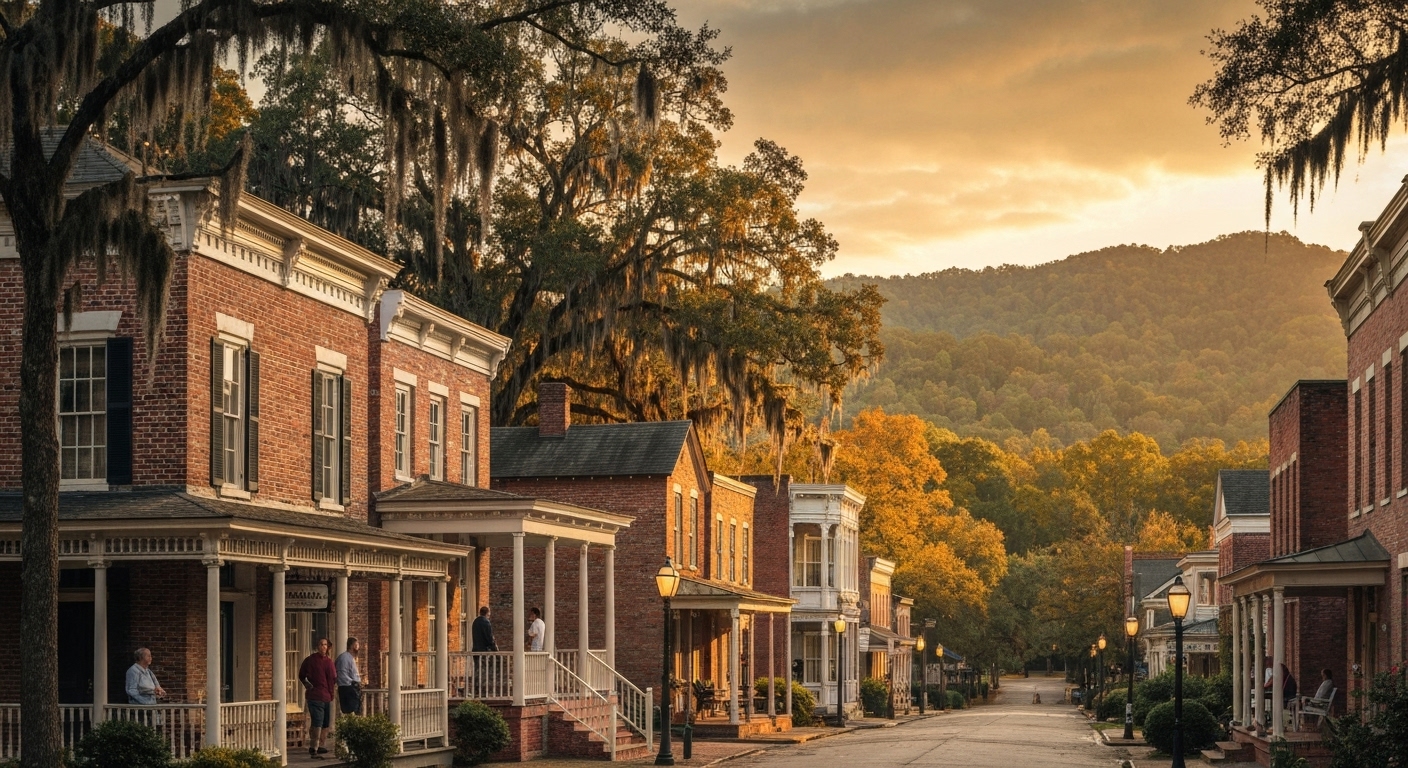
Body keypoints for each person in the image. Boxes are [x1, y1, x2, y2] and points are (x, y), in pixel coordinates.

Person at [299, 637, 337, 759]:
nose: (323, 647)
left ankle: (321, 745)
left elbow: (332, 679)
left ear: (328, 647)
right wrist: (307, 685)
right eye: (321, 644)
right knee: (318, 721)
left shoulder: (329, 662)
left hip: (326, 696)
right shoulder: (310, 660)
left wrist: (331, 694)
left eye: (325, 645)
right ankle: (313, 748)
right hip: (315, 696)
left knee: (326, 723)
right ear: (317, 646)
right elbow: (301, 675)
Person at [335, 637, 363, 715]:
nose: (358, 647)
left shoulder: (351, 658)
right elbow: (342, 674)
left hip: (352, 687)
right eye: (357, 645)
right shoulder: (344, 658)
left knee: (357, 712)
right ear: (352, 646)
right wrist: (352, 684)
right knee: (350, 712)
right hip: (347, 688)